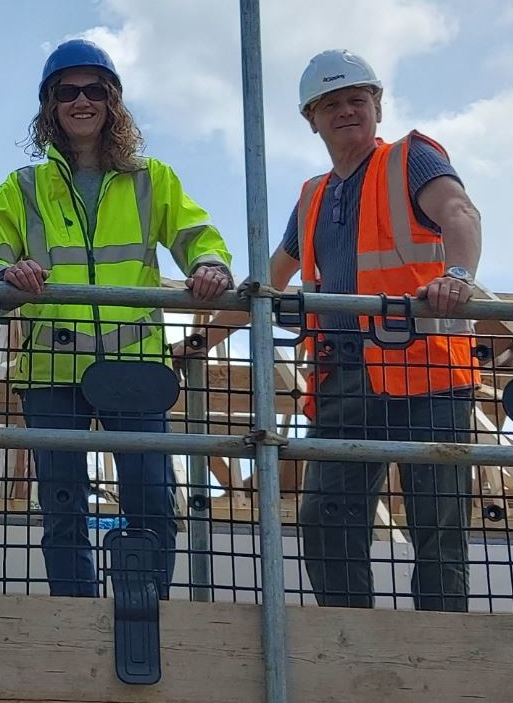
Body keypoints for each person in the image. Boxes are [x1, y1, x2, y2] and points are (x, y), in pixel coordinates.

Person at [181, 49, 481, 611]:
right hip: (344, 376)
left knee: (437, 528)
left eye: (357, 100)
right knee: (324, 520)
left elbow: (459, 212)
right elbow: (269, 283)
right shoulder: (314, 195)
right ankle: (351, 640)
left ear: (377, 106)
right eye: (333, 103)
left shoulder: (411, 159)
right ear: (311, 118)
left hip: (428, 376)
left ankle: (444, 657)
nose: (348, 111)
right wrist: (200, 343)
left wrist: (458, 276)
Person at [0, 39, 233, 598]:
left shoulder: (150, 178)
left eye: (93, 90)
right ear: (51, 106)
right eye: (67, 92)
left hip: (134, 368)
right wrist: (6, 277)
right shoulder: (23, 188)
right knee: (62, 507)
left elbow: (196, 235)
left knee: (153, 499)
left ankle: (144, 613)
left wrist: (209, 264)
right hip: (51, 368)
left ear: (112, 101)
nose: (80, 101)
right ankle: (75, 617)